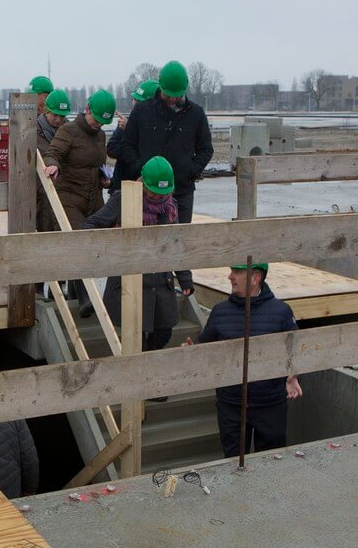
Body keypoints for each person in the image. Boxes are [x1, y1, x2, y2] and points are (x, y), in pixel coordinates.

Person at [184, 263, 303, 456]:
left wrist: (293, 375)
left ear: (255, 279)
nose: (230, 276)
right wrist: (192, 352)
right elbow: (205, 349)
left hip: (270, 406)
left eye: (237, 272)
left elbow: (296, 350)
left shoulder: (281, 312)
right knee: (232, 463)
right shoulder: (220, 312)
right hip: (231, 407)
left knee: (273, 462)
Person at [83, 156, 193, 350]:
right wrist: (112, 244)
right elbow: (91, 224)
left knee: (164, 332)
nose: (159, 197)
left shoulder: (170, 207)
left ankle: (149, 363)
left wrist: (185, 278)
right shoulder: (123, 199)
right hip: (130, 280)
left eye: (163, 193)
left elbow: (176, 245)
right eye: (154, 193)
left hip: (160, 281)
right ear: (143, 185)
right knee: (135, 336)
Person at [115, 60, 213, 224]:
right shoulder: (142, 111)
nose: (173, 99)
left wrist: (190, 171)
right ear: (160, 86)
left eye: (177, 95)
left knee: (179, 241)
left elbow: (206, 149)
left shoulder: (196, 114)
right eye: (168, 95)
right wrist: (140, 167)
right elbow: (127, 145)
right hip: (147, 193)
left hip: (181, 190)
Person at [44, 90, 115, 312]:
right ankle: (86, 298)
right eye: (96, 120)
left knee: (105, 240)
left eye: (103, 122)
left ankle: (83, 293)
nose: (98, 125)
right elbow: (52, 152)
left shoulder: (101, 136)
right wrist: (53, 164)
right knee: (77, 242)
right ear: (87, 110)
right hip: (69, 197)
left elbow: (97, 165)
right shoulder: (69, 131)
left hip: (94, 198)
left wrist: (104, 179)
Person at [105, 79, 158, 194]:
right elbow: (111, 149)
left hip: (148, 192)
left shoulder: (161, 128)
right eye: (134, 100)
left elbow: (152, 154)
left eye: (138, 102)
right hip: (120, 188)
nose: (134, 105)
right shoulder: (126, 123)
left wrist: (130, 132)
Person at [35, 88, 72, 233]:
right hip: (42, 190)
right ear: (46, 111)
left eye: (62, 116)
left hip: (65, 189)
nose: (58, 120)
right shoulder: (34, 132)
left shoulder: (71, 131)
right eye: (55, 115)